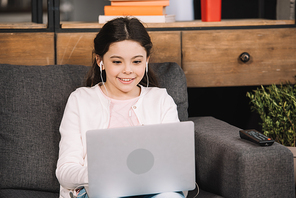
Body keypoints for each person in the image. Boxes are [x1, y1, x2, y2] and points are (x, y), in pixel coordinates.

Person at [56, 17, 185, 198]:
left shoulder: (161, 100)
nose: (127, 70)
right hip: (99, 191)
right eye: (117, 62)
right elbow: (65, 171)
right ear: (100, 60)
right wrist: (101, 175)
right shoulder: (80, 100)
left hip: (153, 190)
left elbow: (176, 163)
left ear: (147, 60)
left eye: (136, 62)